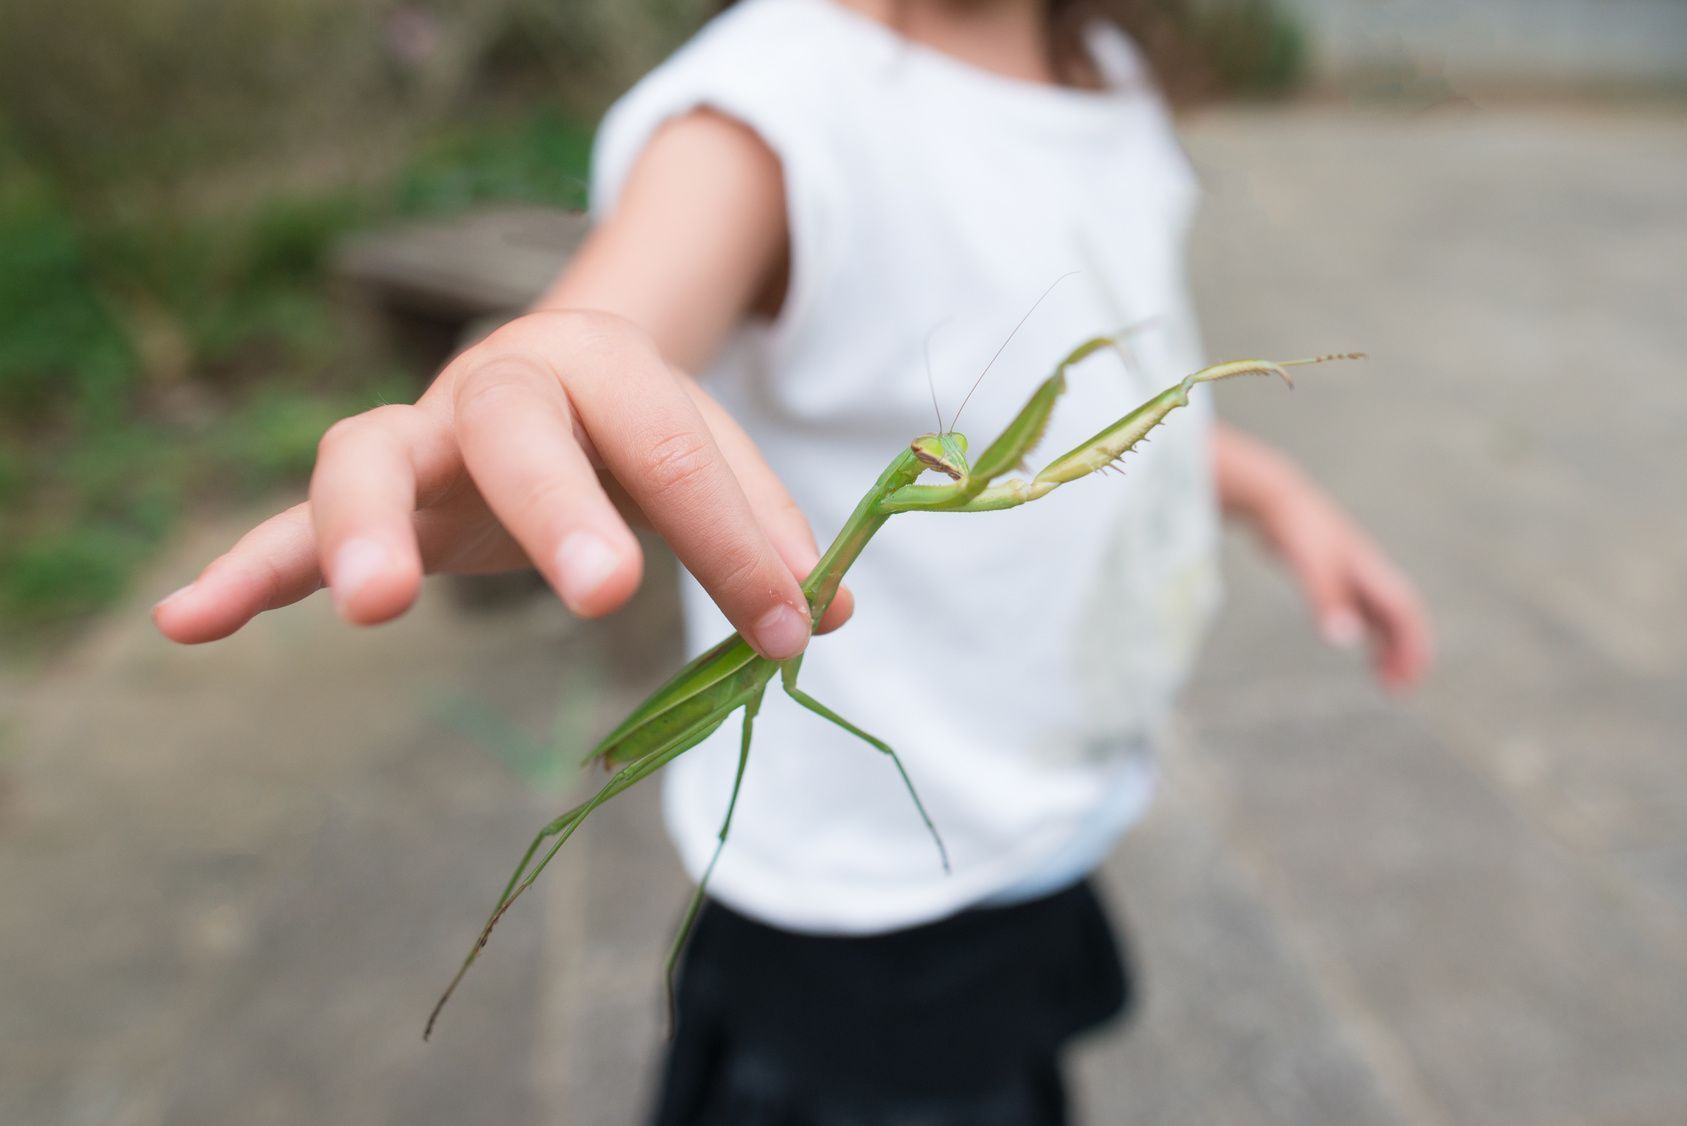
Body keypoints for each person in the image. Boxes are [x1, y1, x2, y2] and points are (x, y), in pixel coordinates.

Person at [154, 0, 1432, 1121]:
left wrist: (1264, 486)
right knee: (584, 838)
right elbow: (613, 322)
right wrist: (540, 373)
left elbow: (1087, 416)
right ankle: (532, 952)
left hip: (1040, 838)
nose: (944, 459)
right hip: (849, 925)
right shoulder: (770, 108)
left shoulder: (1104, 72)